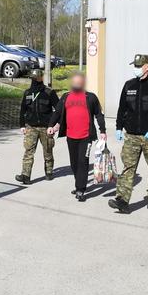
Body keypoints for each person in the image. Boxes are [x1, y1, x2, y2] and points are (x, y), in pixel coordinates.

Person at [108, 54, 148, 213]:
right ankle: (122, 200)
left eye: (138, 66)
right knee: (128, 168)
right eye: (134, 66)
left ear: (147, 67)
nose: (135, 69)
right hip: (132, 136)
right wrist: (118, 127)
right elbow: (122, 108)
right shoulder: (129, 85)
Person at [48, 73, 106, 202]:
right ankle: (78, 183)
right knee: (74, 163)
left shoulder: (90, 97)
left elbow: (99, 114)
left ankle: (81, 189)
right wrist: (51, 125)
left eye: (79, 82)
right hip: (71, 136)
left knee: (83, 162)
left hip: (86, 136)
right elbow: (57, 112)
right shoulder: (65, 97)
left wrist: (103, 130)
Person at [15, 69, 59, 185]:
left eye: (35, 78)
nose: (34, 80)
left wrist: (54, 125)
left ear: (40, 78)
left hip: (46, 128)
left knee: (48, 151)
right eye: (32, 78)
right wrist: (22, 125)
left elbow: (58, 110)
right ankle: (25, 176)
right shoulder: (27, 93)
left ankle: (49, 172)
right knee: (28, 151)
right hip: (31, 127)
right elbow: (23, 110)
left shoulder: (49, 92)